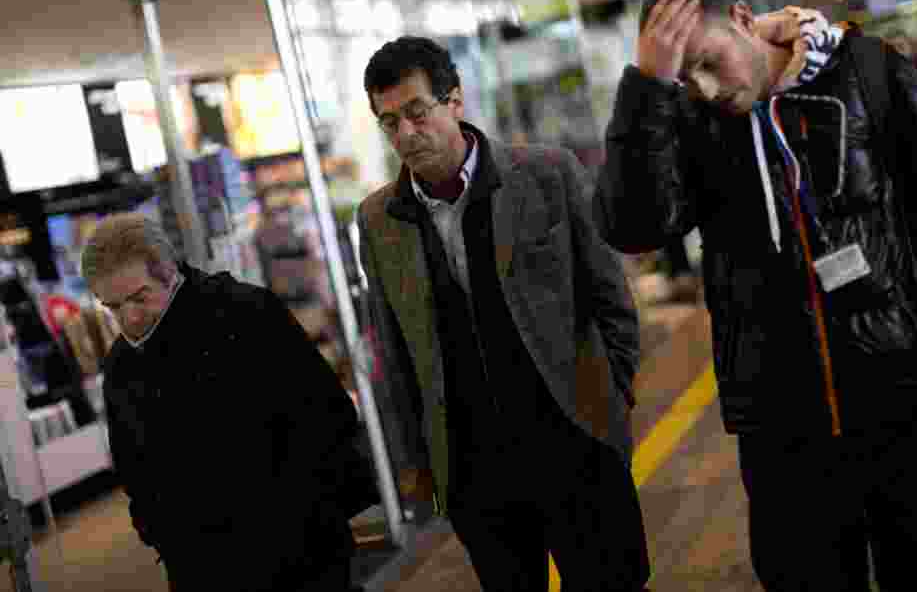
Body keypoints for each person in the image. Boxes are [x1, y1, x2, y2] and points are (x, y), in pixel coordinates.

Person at [594, 0, 917, 590]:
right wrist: (646, 88)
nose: (704, 87)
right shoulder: (691, 121)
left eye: (708, 63)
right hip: (781, 432)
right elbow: (633, 227)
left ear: (740, 22)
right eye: (684, 78)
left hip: (904, 404)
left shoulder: (867, 69)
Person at [357, 36, 649, 591]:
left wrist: (613, 397)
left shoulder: (546, 174)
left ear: (455, 100)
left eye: (417, 113)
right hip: (477, 475)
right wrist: (417, 461)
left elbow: (610, 296)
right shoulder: (379, 220)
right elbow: (393, 352)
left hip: (575, 442)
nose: (406, 134)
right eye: (389, 123)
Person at [85, 213, 378, 592]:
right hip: (201, 569)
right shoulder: (122, 368)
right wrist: (159, 532)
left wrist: (310, 516)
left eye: (140, 297)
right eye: (113, 307)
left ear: (170, 273)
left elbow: (327, 414)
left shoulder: (247, 313)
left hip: (300, 553)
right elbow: (133, 469)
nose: (130, 318)